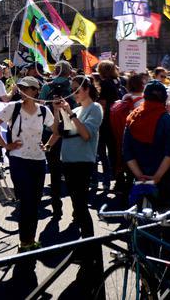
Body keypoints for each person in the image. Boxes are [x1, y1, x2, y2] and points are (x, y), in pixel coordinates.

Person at [0, 76, 57, 252]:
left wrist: (48, 145)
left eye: (27, 89)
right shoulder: (14, 107)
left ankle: (30, 240)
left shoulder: (43, 110)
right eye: (21, 88)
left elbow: (57, 131)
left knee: (34, 203)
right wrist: (6, 146)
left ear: (36, 91)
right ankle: (24, 241)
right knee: (26, 200)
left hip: (39, 161)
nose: (23, 92)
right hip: (19, 160)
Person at [56, 76, 101, 235]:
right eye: (72, 89)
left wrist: (70, 113)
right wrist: (59, 111)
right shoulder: (76, 109)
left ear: (87, 89)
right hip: (68, 163)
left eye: (77, 89)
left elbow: (86, 134)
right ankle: (86, 246)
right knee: (77, 206)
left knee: (81, 207)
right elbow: (62, 132)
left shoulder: (95, 108)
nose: (73, 93)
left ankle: (90, 247)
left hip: (82, 164)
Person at [123, 81, 170, 206]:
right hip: (165, 179)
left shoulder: (132, 118)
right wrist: (156, 177)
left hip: (139, 179)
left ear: (144, 96)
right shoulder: (169, 120)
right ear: (164, 98)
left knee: (139, 219)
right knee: (164, 219)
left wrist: (139, 176)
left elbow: (127, 151)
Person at [39, 61, 75, 217]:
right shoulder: (73, 86)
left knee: (54, 171)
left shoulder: (47, 87)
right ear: (68, 72)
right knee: (72, 172)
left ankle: (56, 207)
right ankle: (76, 210)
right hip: (70, 130)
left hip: (50, 130)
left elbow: (41, 105)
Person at [96, 61, 123, 191]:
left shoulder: (105, 83)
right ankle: (119, 179)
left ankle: (115, 180)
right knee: (115, 150)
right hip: (116, 118)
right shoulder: (117, 81)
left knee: (107, 151)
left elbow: (102, 103)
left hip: (106, 120)